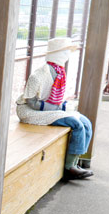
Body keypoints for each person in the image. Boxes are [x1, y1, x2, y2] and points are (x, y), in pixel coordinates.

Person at [17, 38, 94, 180]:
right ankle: (69, 167)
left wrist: (59, 107)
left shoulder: (59, 72)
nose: (68, 55)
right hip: (30, 111)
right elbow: (31, 102)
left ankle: (76, 161)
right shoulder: (39, 75)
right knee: (76, 123)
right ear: (56, 53)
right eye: (65, 51)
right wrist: (59, 107)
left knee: (86, 122)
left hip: (48, 108)